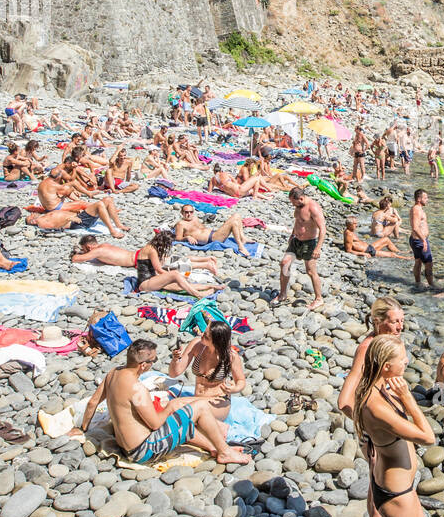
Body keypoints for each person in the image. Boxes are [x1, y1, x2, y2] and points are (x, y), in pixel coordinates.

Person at [353, 335, 434, 517]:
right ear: (387, 366)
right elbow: (428, 436)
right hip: (396, 493)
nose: (408, 361)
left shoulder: (377, 385)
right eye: (403, 359)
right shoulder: (377, 405)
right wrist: (409, 400)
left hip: (401, 486)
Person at [74, 339, 244, 465]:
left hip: (125, 445)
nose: (153, 364)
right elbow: (155, 424)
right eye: (153, 361)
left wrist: (83, 429)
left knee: (181, 419)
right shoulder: (137, 389)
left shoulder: (113, 373)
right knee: (197, 408)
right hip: (145, 450)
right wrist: (170, 406)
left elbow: (92, 403)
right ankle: (224, 452)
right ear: (143, 365)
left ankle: (214, 448)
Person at [167, 323, 251, 462]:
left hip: (217, 402)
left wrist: (233, 389)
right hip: (197, 400)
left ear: (217, 340)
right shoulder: (197, 345)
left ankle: (218, 438)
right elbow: (174, 373)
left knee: (174, 406)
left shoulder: (230, 356)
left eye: (206, 335)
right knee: (177, 418)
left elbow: (241, 381)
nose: (202, 335)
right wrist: (176, 359)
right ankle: (216, 446)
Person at [70, 234, 220, 276]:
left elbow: (76, 259)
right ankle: (206, 259)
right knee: (172, 260)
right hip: (136, 254)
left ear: (89, 246)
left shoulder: (97, 251)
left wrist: (79, 253)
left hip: (137, 260)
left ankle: (206, 265)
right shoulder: (104, 246)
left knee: (171, 265)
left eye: (86, 248)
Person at [276, 186, 325, 309]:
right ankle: (282, 294)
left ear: (301, 198)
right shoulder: (298, 206)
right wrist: (292, 234)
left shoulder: (313, 208)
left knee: (310, 271)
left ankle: (319, 298)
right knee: (284, 263)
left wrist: (318, 248)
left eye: (294, 202)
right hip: (296, 241)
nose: (292, 205)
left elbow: (323, 230)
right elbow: (298, 221)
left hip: (309, 243)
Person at [131, 232, 218, 297]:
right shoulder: (152, 250)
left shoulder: (151, 247)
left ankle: (208, 286)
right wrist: (174, 277)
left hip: (152, 280)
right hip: (145, 283)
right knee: (176, 275)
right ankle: (198, 294)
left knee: (180, 285)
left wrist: (177, 278)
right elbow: (158, 269)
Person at [173, 205, 252, 254]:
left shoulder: (195, 218)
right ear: (182, 213)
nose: (189, 214)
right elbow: (178, 238)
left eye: (191, 212)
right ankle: (240, 246)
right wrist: (187, 237)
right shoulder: (181, 224)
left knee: (237, 215)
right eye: (186, 212)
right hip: (212, 239)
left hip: (214, 233)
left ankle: (243, 238)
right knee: (233, 223)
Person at [409, 189, 435, 289]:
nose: (427, 199)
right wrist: (423, 240)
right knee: (429, 264)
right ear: (419, 199)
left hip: (416, 240)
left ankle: (418, 283)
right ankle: (432, 286)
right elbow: (415, 227)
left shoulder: (417, 209)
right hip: (419, 240)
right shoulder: (417, 210)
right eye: (425, 198)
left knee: (418, 261)